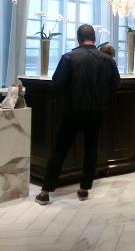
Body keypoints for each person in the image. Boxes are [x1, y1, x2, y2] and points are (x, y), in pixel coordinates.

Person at [35, 24, 120, 205]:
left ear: (78, 39)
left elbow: (57, 84)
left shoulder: (69, 57)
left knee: (59, 151)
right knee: (91, 150)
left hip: (72, 112)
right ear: (94, 38)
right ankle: (84, 189)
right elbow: (116, 84)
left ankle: (45, 191)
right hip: (96, 112)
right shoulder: (108, 60)